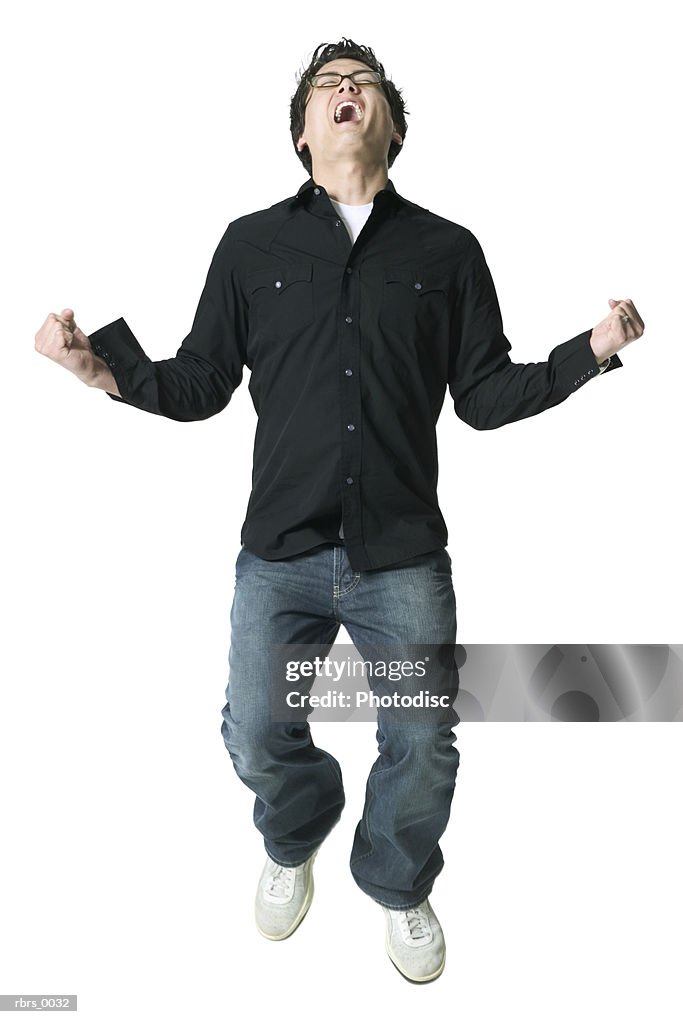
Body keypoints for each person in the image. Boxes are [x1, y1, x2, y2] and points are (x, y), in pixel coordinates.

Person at [34, 37, 645, 984]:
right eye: (327, 86)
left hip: (400, 552)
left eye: (362, 84)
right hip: (279, 546)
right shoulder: (250, 243)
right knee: (252, 728)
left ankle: (397, 886)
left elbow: (482, 395)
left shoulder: (447, 250)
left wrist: (592, 348)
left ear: (391, 125)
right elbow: (200, 382)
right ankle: (298, 829)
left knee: (420, 739)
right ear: (301, 133)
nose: (346, 91)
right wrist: (97, 369)